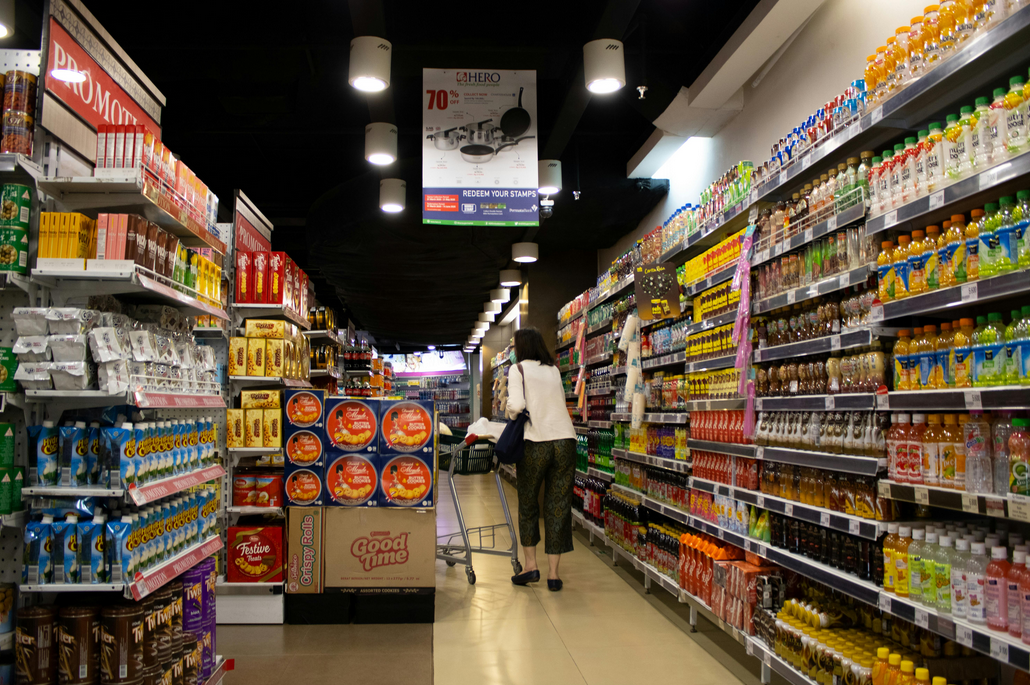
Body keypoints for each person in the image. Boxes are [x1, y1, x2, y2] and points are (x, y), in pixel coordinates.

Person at [505, 327, 577, 591]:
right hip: (565, 441)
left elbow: (516, 406)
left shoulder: (518, 370)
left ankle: (531, 567)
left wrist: (510, 413)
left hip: (535, 443)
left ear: (521, 347)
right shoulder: (554, 370)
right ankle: (554, 575)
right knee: (558, 505)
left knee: (528, 503)